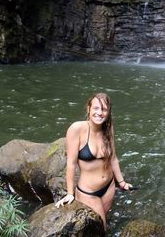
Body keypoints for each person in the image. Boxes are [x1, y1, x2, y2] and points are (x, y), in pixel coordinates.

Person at [55, 92, 132, 227]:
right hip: (88, 192)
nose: (99, 112)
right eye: (96, 108)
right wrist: (70, 193)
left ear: (108, 112)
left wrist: (122, 182)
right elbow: (71, 163)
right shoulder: (77, 129)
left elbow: (113, 158)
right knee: (102, 228)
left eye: (104, 109)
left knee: (103, 223)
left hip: (109, 187)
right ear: (88, 108)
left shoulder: (108, 129)